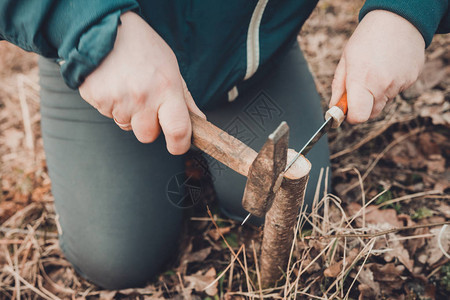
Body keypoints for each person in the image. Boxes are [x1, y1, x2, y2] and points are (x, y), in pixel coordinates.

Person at [1, 0, 448, 290]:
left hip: (251, 61)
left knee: (300, 203)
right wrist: (86, 26)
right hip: (108, 50)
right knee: (116, 259)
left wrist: (405, 13)